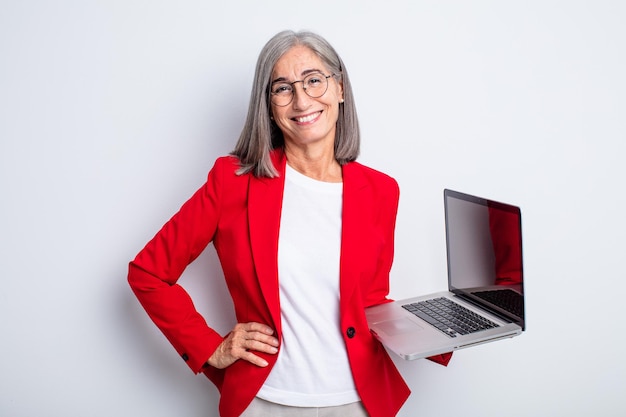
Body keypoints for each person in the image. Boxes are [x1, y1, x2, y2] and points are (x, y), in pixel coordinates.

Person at [128, 29, 451, 417]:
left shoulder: (381, 191)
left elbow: (365, 302)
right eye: (282, 88)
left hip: (358, 401)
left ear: (340, 89)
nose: (302, 100)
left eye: (314, 80)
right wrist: (210, 347)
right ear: (268, 105)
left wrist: (443, 328)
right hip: (266, 400)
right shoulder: (233, 182)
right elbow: (148, 273)